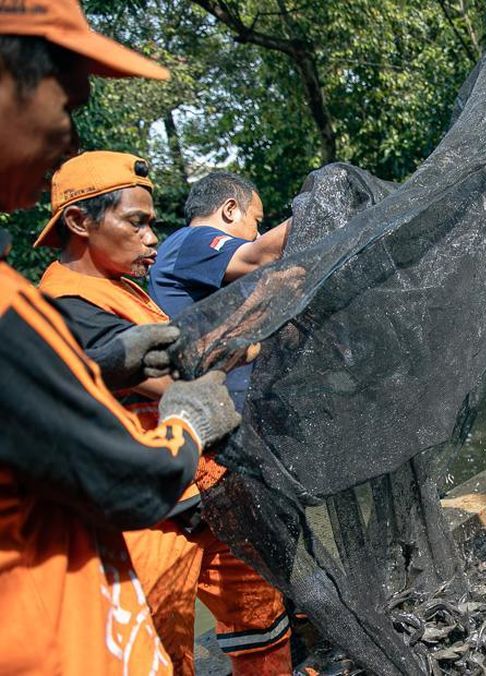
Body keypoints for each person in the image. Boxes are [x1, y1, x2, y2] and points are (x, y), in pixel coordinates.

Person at [0, 3, 242, 673]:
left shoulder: (90, 293)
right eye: (68, 100)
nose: (66, 134)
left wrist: (101, 364)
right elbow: (125, 477)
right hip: (64, 633)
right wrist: (191, 419)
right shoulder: (37, 303)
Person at [34, 151, 293, 675]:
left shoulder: (124, 285)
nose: (152, 238)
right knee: (159, 650)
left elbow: (188, 352)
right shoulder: (66, 301)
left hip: (211, 491)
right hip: (148, 517)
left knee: (262, 621)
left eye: (151, 223)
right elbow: (178, 380)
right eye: (137, 223)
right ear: (80, 222)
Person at [148, 171, 290, 408]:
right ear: (230, 209)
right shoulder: (195, 239)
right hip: (207, 401)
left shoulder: (191, 252)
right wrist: (319, 212)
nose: (259, 234)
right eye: (257, 222)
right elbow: (261, 256)